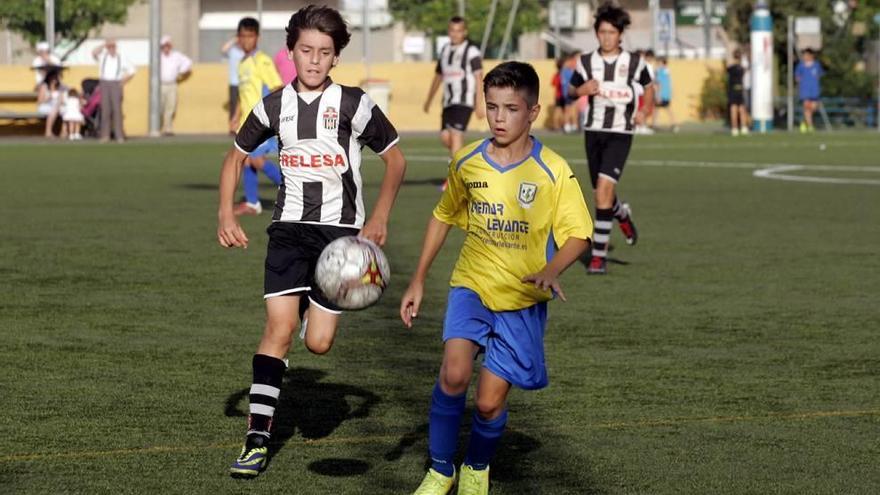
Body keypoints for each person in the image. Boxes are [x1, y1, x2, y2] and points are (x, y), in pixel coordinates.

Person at [217, 5, 407, 479]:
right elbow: (235, 157)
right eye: (306, 50)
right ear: (291, 52)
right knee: (277, 331)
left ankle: (311, 318)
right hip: (288, 231)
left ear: (336, 57)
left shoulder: (354, 104)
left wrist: (379, 217)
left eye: (325, 52)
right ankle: (257, 439)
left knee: (319, 344)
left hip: (339, 240)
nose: (315, 60)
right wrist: (225, 212)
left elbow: (396, 161)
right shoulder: (273, 105)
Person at [401, 61, 592, 495]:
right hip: (471, 284)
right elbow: (442, 216)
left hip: (522, 298)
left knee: (488, 403)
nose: (499, 118)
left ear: (533, 112)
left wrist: (551, 269)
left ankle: (476, 465)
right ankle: (439, 470)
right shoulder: (467, 160)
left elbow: (579, 235)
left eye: (510, 108)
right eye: (491, 107)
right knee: (453, 375)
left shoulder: (552, 171)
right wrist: (417, 279)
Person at [569, 3, 653, 275]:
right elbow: (571, 91)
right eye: (602, 32)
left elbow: (650, 88)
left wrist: (643, 111)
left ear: (620, 35)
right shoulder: (585, 62)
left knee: (603, 191)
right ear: (596, 33)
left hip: (621, 132)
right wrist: (583, 89)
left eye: (612, 32)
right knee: (601, 194)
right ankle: (621, 214)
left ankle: (598, 256)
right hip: (593, 132)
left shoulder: (635, 63)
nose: (606, 37)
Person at [228, 17, 285, 216]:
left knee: (256, 160)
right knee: (246, 160)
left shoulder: (262, 60)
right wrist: (236, 116)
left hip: (263, 122)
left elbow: (278, 87)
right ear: (238, 38)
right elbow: (243, 95)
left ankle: (293, 191)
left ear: (257, 37)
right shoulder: (242, 63)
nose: (246, 40)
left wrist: (274, 115)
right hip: (247, 123)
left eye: (250, 36)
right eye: (242, 36)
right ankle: (252, 203)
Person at [423, 16, 485, 175]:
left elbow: (479, 77)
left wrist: (479, 103)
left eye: (459, 31)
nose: (455, 34)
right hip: (448, 102)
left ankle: (454, 178)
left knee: (456, 136)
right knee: (446, 137)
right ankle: (466, 164)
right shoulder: (444, 50)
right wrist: (429, 99)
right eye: (452, 30)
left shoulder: (472, 51)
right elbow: (438, 76)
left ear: (465, 32)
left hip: (464, 101)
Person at [92, 39, 135, 143]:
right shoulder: (103, 56)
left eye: (113, 46)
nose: (111, 49)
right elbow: (94, 53)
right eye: (109, 47)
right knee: (105, 110)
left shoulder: (122, 57)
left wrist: (123, 81)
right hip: (104, 83)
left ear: (116, 47)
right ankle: (105, 135)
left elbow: (132, 70)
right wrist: (104, 44)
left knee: (117, 110)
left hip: (116, 83)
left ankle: (119, 135)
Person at [159, 35, 193, 136]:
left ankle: (168, 129)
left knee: (171, 106)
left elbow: (188, 62)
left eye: (168, 45)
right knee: (160, 107)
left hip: (172, 84)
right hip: (160, 85)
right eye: (164, 46)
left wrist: (181, 72)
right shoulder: (158, 56)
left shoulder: (176, 56)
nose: (166, 47)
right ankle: (160, 127)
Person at [795, 48, 824, 133]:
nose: (805, 57)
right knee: (807, 108)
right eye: (804, 55)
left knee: (813, 108)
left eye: (807, 55)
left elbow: (819, 75)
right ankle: (810, 126)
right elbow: (797, 77)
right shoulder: (801, 66)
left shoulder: (816, 65)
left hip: (814, 91)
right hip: (805, 91)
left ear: (811, 56)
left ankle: (804, 123)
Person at [221, 35, 246, 125]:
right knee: (234, 105)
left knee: (245, 104)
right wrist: (234, 40)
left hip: (245, 82)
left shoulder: (245, 52)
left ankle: (243, 125)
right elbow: (223, 49)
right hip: (234, 82)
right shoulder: (233, 50)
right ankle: (232, 126)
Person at [36, 68, 66, 138]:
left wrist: (59, 103)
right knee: (53, 110)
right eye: (53, 79)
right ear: (49, 79)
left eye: (55, 79)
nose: (54, 81)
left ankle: (64, 132)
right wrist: (48, 98)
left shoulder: (60, 88)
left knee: (66, 111)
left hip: (57, 106)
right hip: (45, 106)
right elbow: (39, 101)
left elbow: (61, 100)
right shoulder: (44, 87)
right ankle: (48, 131)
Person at [726, 49, 750, 137]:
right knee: (741, 110)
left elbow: (728, 67)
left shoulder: (731, 68)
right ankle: (743, 127)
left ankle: (734, 128)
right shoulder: (741, 69)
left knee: (734, 110)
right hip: (739, 90)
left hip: (732, 90)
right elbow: (746, 69)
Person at [652, 56, 678, 132]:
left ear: (662, 63)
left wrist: (658, 95)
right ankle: (673, 124)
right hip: (666, 94)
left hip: (661, 94)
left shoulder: (660, 71)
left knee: (658, 109)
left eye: (659, 62)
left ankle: (655, 124)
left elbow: (658, 84)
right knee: (664, 109)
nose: (657, 64)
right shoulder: (666, 71)